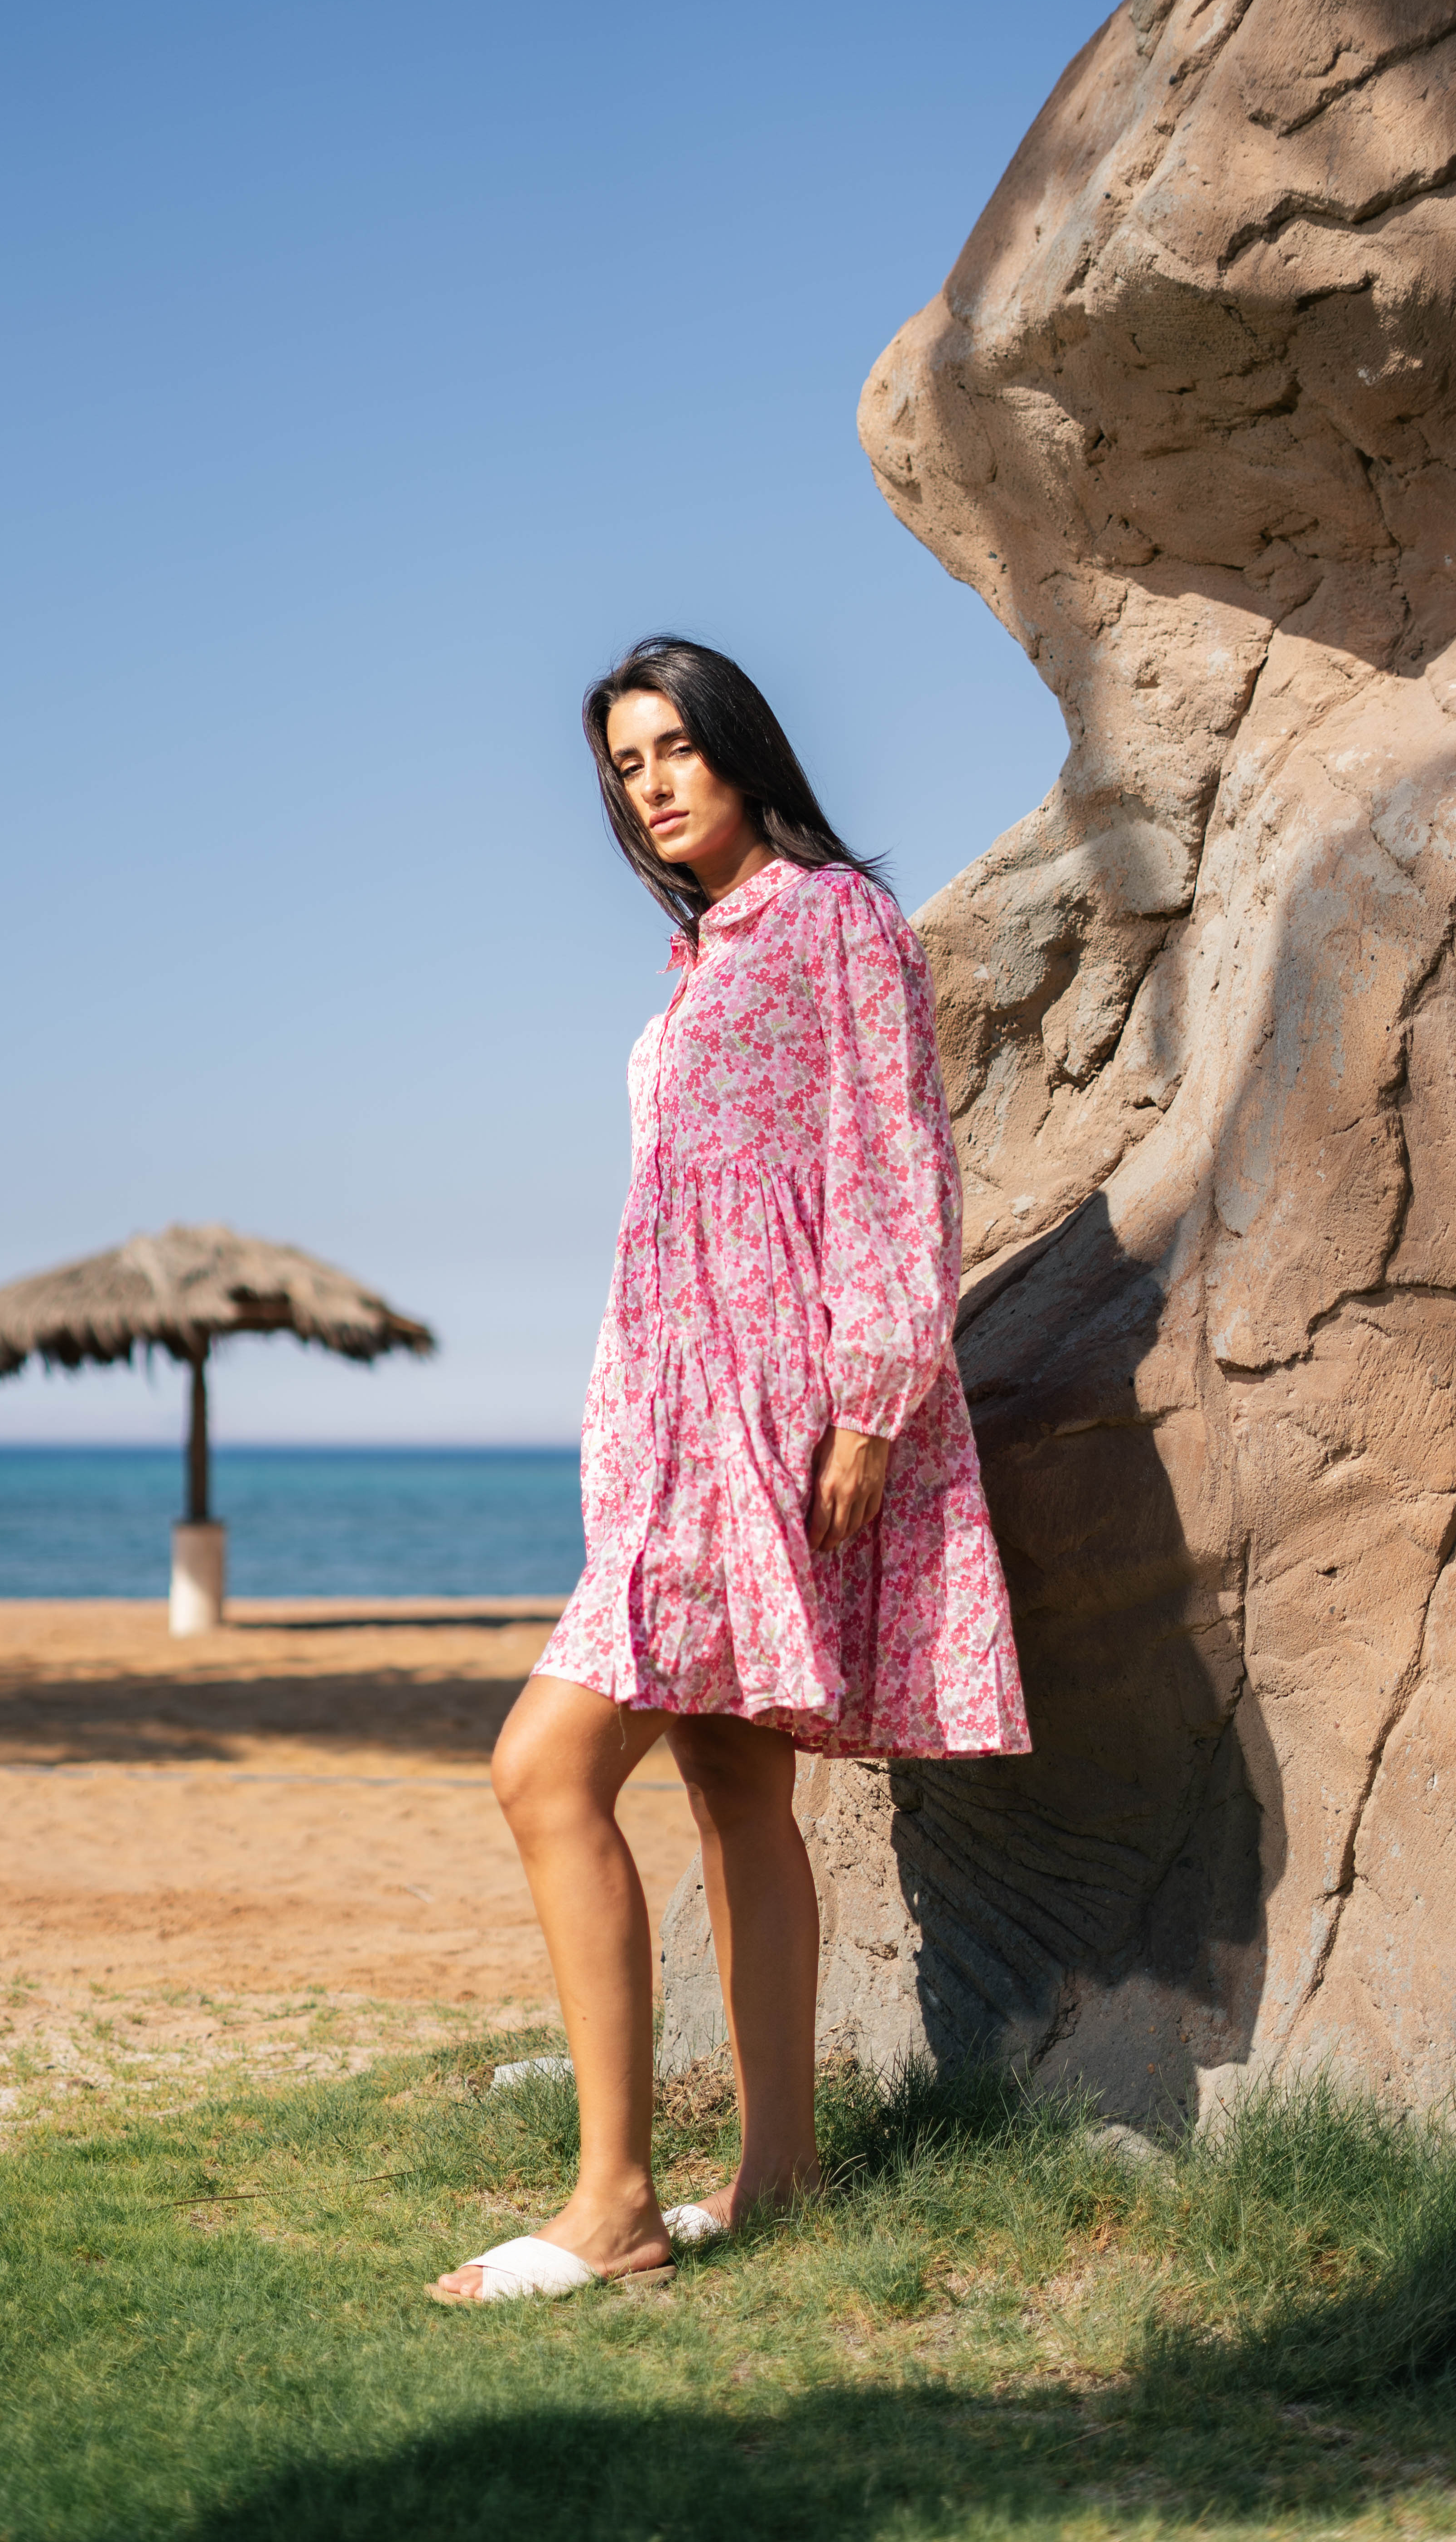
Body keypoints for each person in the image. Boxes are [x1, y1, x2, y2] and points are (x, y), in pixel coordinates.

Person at [429, 636, 1028, 2306]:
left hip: (770, 1418)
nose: (652, 786)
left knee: (541, 1770)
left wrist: (872, 1402)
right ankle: (781, 2174)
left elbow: (897, 1159)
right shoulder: (697, 963)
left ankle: (612, 2201)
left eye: (674, 748)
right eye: (625, 766)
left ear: (741, 750)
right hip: (674, 1421)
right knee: (734, 1789)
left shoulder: (835, 918)